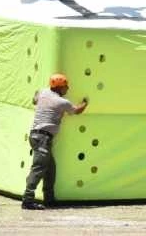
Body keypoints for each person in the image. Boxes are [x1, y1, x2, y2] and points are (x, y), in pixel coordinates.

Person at [22, 73, 88, 210]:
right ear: (59, 88)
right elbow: (76, 111)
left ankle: (49, 200)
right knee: (38, 168)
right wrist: (86, 102)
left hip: (36, 136)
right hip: (43, 138)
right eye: (65, 86)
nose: (68, 89)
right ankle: (27, 200)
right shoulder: (62, 102)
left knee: (50, 170)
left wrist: (38, 93)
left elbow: (34, 100)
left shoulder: (43, 93)